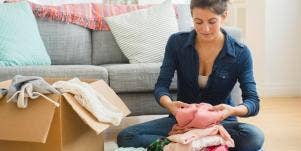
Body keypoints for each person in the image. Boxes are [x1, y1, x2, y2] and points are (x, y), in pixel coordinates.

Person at [117, 0, 264, 150]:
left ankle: (184, 144)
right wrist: (170, 106)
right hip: (182, 122)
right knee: (127, 136)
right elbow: (161, 86)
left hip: (220, 123)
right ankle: (204, 143)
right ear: (191, 16)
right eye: (198, 22)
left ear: (224, 16)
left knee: (254, 136)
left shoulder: (240, 53)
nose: (205, 29)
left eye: (212, 22)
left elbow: (253, 101)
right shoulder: (177, 43)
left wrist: (231, 111)